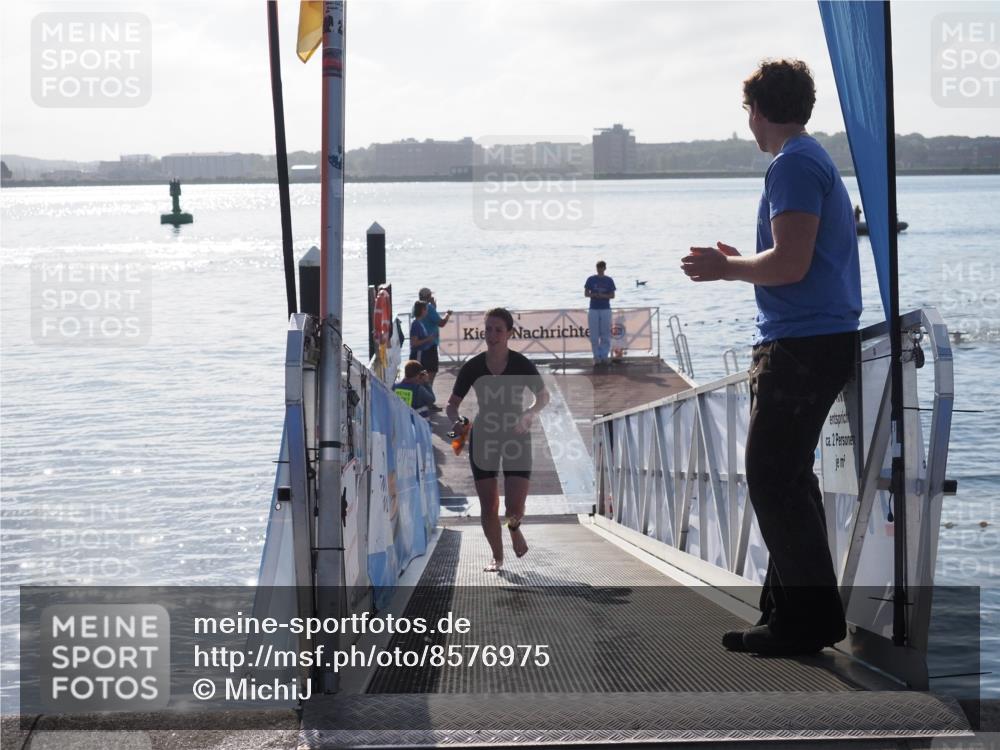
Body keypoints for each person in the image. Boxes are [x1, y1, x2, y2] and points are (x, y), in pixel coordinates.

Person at [681, 58, 861, 656]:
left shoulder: (793, 165)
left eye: (748, 113)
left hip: (803, 345)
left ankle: (808, 620)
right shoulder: (808, 161)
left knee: (771, 475)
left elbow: (791, 264)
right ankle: (788, 614)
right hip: (811, 340)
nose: (749, 125)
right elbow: (791, 258)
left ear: (759, 111)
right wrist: (745, 261)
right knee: (786, 477)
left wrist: (725, 268)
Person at [446, 308, 550, 572]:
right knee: (488, 504)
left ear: (509, 334)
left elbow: (544, 397)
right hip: (485, 435)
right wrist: (456, 422)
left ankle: (514, 527)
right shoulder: (473, 366)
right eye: (488, 329)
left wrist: (529, 414)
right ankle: (497, 556)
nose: (492, 335)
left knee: (514, 507)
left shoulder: (520, 363)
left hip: (517, 435)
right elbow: (451, 405)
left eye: (498, 330)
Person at [417, 287, 452, 399]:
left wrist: (433, 306)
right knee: (430, 374)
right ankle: (428, 399)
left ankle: (424, 397)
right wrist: (448, 314)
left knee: (423, 373)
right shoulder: (429, 308)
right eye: (430, 296)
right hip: (430, 345)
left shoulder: (417, 307)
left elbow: (429, 318)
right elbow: (441, 323)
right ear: (428, 297)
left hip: (421, 347)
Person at [584, 261, 616, 365]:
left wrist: (603, 296)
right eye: (598, 268)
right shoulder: (591, 279)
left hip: (605, 309)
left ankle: (604, 356)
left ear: (604, 268)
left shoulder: (609, 280)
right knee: (594, 334)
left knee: (605, 334)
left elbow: (612, 295)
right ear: (596, 268)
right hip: (593, 308)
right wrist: (593, 295)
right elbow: (586, 293)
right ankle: (596, 356)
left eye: (601, 268)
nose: (600, 269)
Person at [409, 301, 435, 369]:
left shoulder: (420, 322)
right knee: (418, 374)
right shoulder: (416, 324)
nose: (427, 311)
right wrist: (428, 339)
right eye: (426, 309)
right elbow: (414, 343)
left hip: (423, 354)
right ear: (422, 310)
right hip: (418, 354)